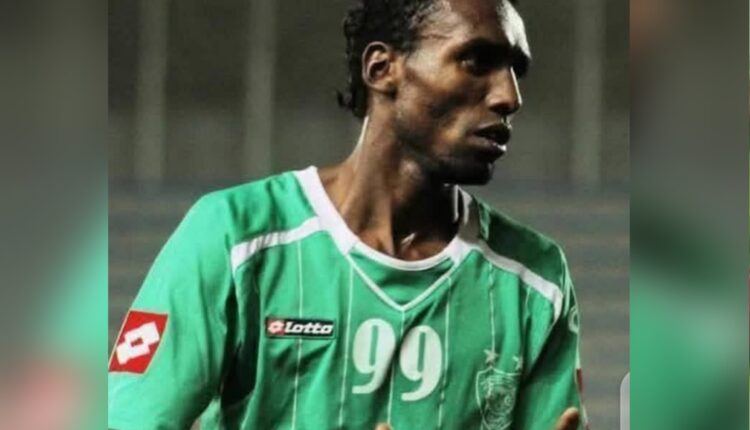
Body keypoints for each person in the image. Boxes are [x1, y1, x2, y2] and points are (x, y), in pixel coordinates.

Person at [108, 0, 587, 429]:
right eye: (477, 61)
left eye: (515, 70)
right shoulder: (233, 235)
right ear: (382, 69)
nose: (509, 97)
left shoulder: (537, 279)